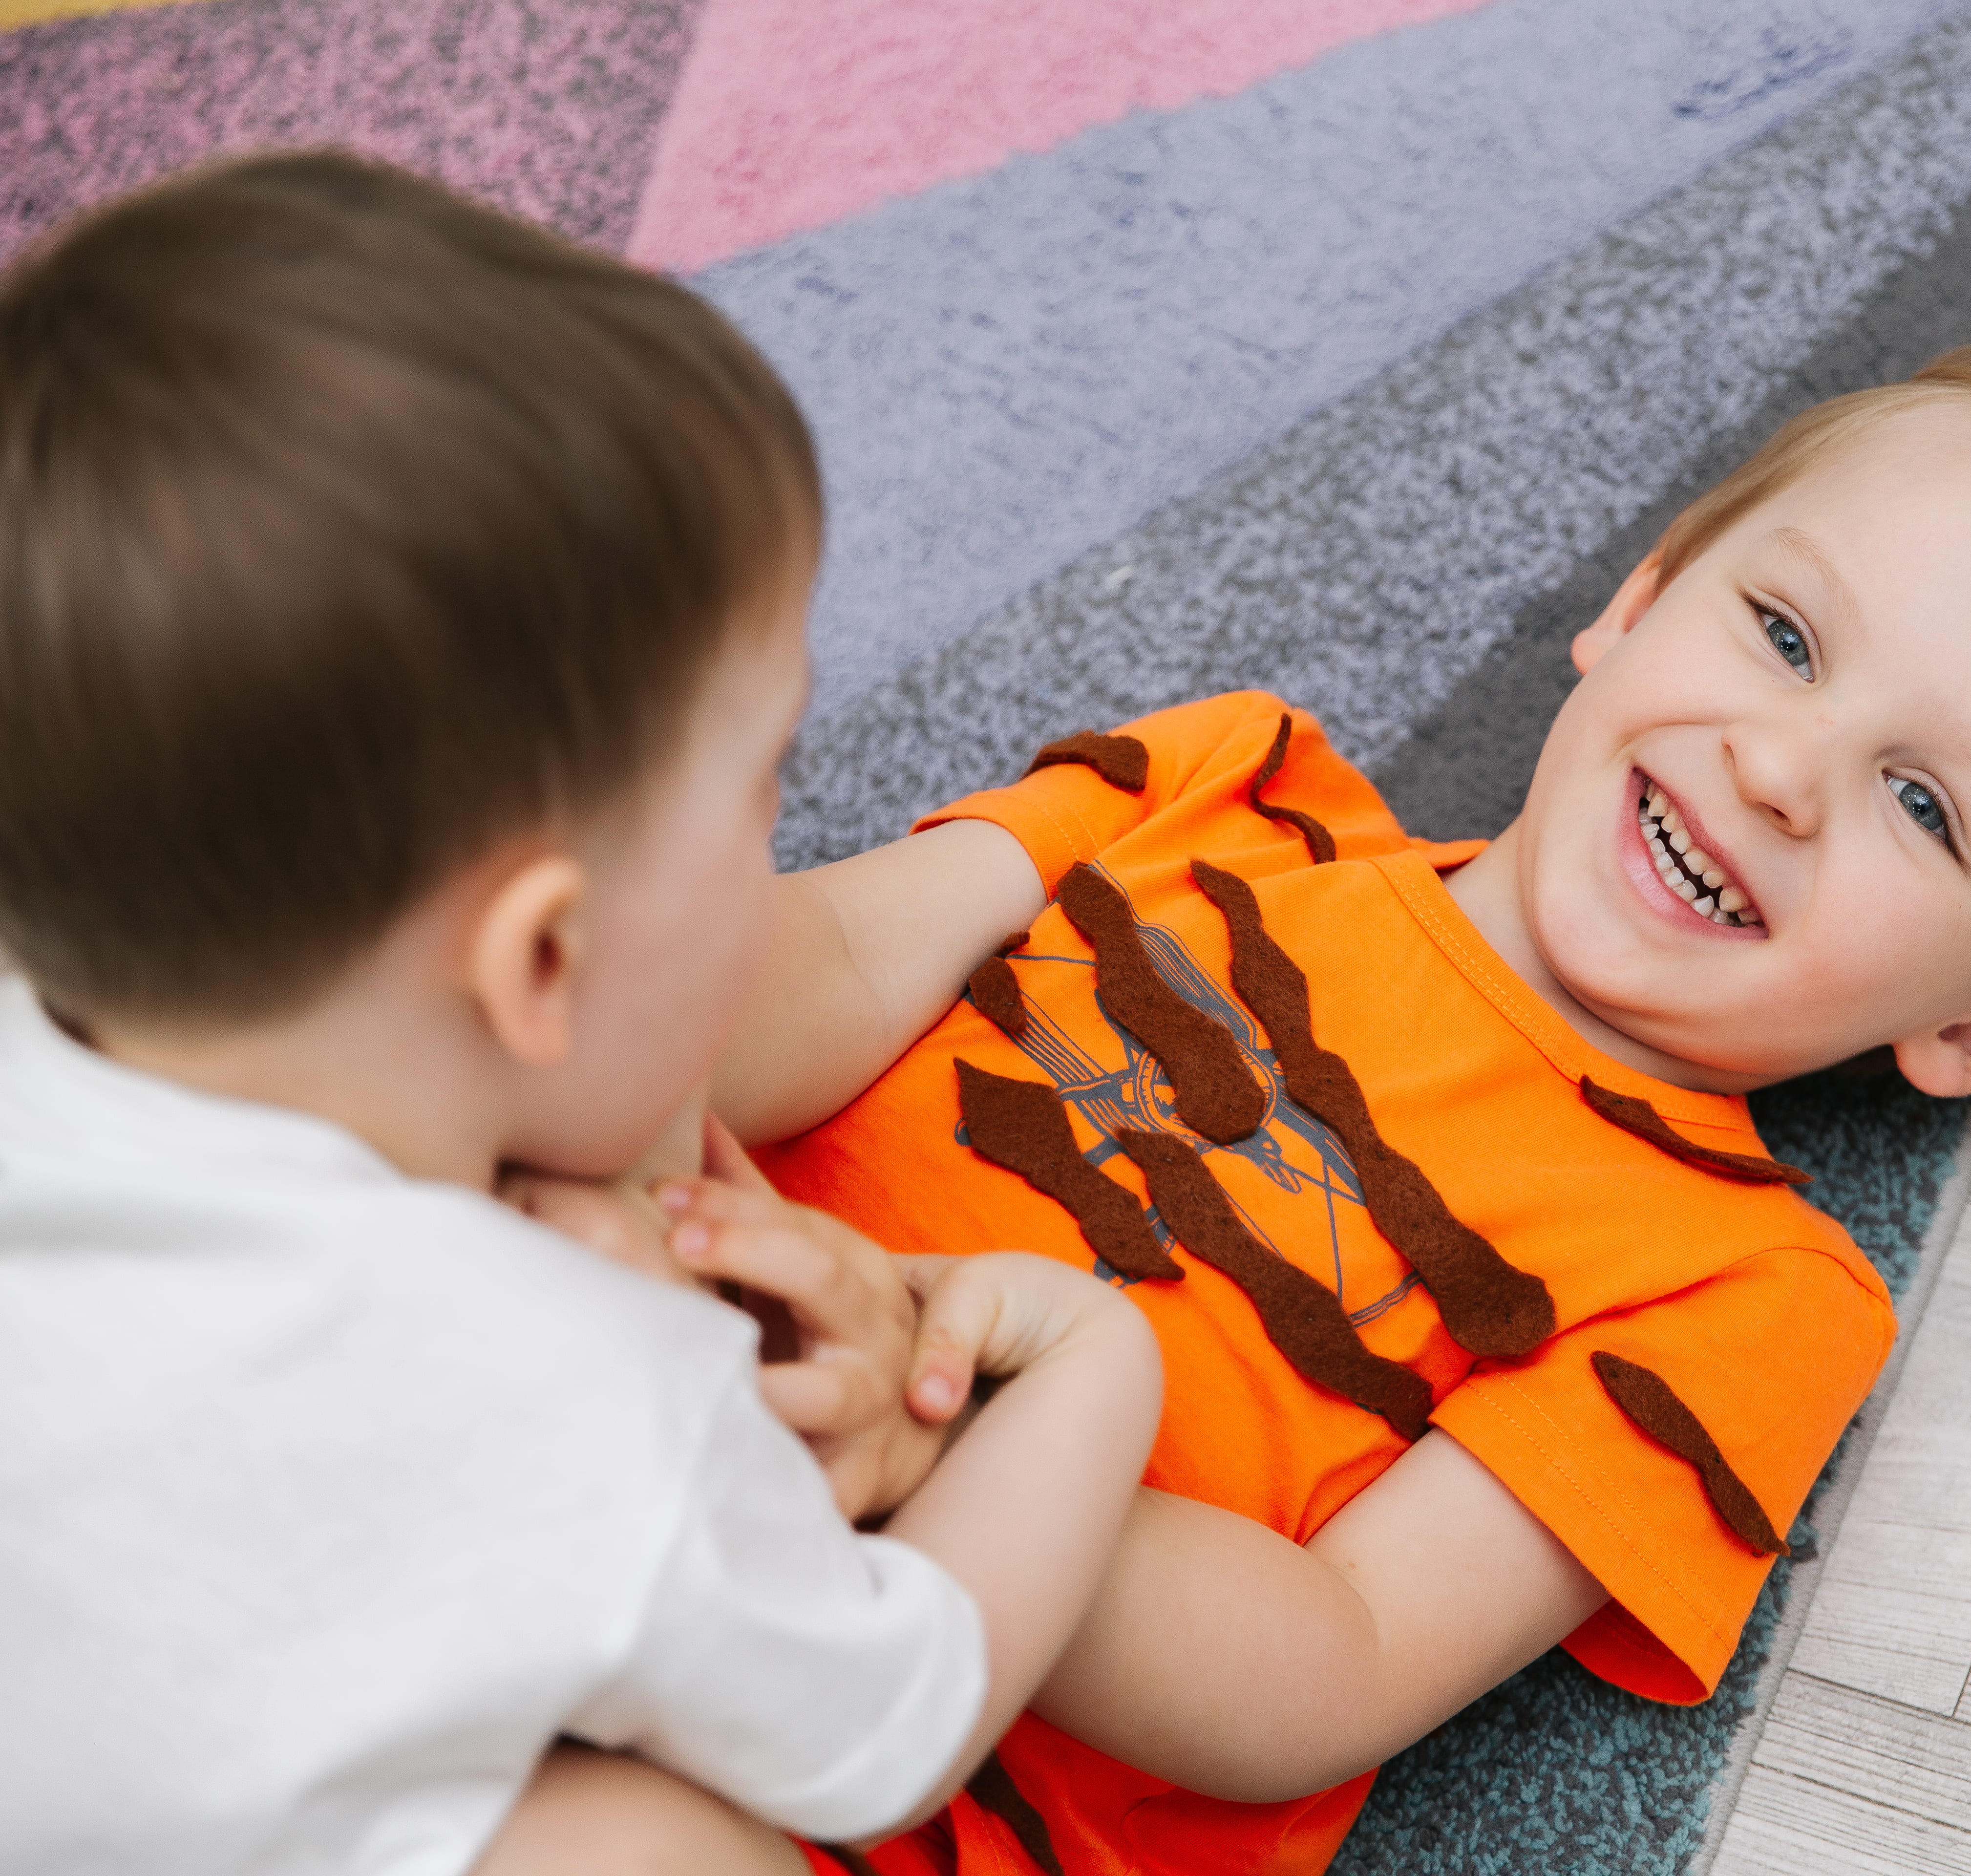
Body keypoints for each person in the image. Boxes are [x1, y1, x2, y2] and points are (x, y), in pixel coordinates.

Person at [710, 344, 1971, 1873]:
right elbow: (827, 959)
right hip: (636, 1323)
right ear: (1641, 595)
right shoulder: (1230, 782)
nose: (1778, 771)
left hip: (870, 1787)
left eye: (1923, 805)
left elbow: (1343, 1658)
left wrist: (944, 1450)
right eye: (1787, 638)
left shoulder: (1750, 1291)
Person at [0, 153, 1162, 1876]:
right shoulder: (575, 1394)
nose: (783, 836)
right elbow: (884, 1728)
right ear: (540, 964)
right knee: (662, 1839)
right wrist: (1090, 1362)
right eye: (765, 786)